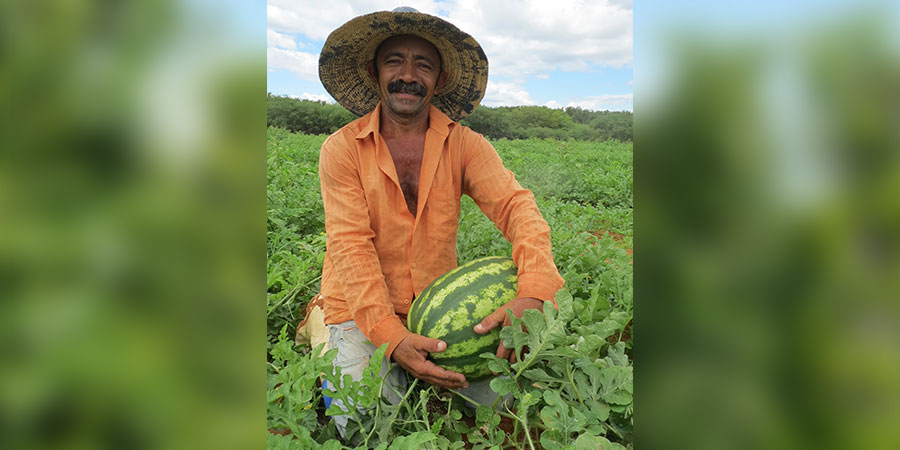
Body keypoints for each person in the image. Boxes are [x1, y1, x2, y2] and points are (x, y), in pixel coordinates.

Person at [316, 7, 564, 437]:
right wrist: (391, 339)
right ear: (376, 72)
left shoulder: (466, 145)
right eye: (394, 61)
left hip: (432, 307)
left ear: (440, 79)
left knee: (500, 405)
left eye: (423, 64)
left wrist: (535, 292)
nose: (408, 74)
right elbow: (350, 246)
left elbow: (516, 206)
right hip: (360, 309)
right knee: (363, 426)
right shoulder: (341, 150)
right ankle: (326, 330)